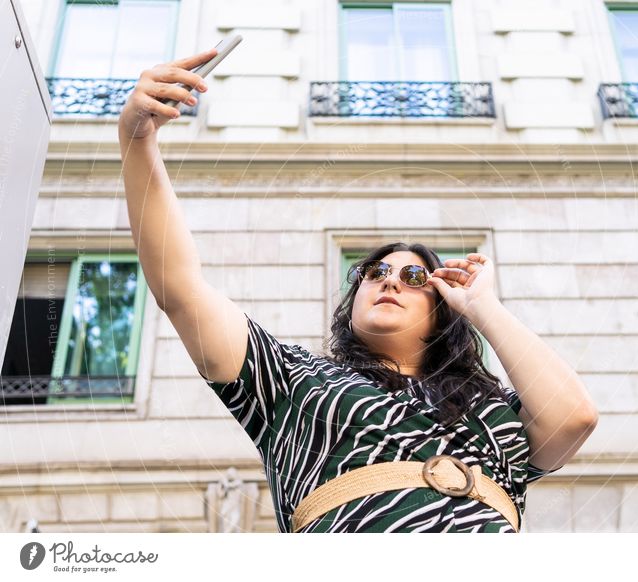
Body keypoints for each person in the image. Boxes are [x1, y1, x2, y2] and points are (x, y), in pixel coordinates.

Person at [118, 49, 599, 533]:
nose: (388, 279)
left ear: (441, 311)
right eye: (372, 272)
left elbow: (574, 417)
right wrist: (136, 140)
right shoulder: (286, 379)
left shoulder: (491, 407)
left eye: (414, 278)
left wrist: (482, 306)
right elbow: (179, 286)